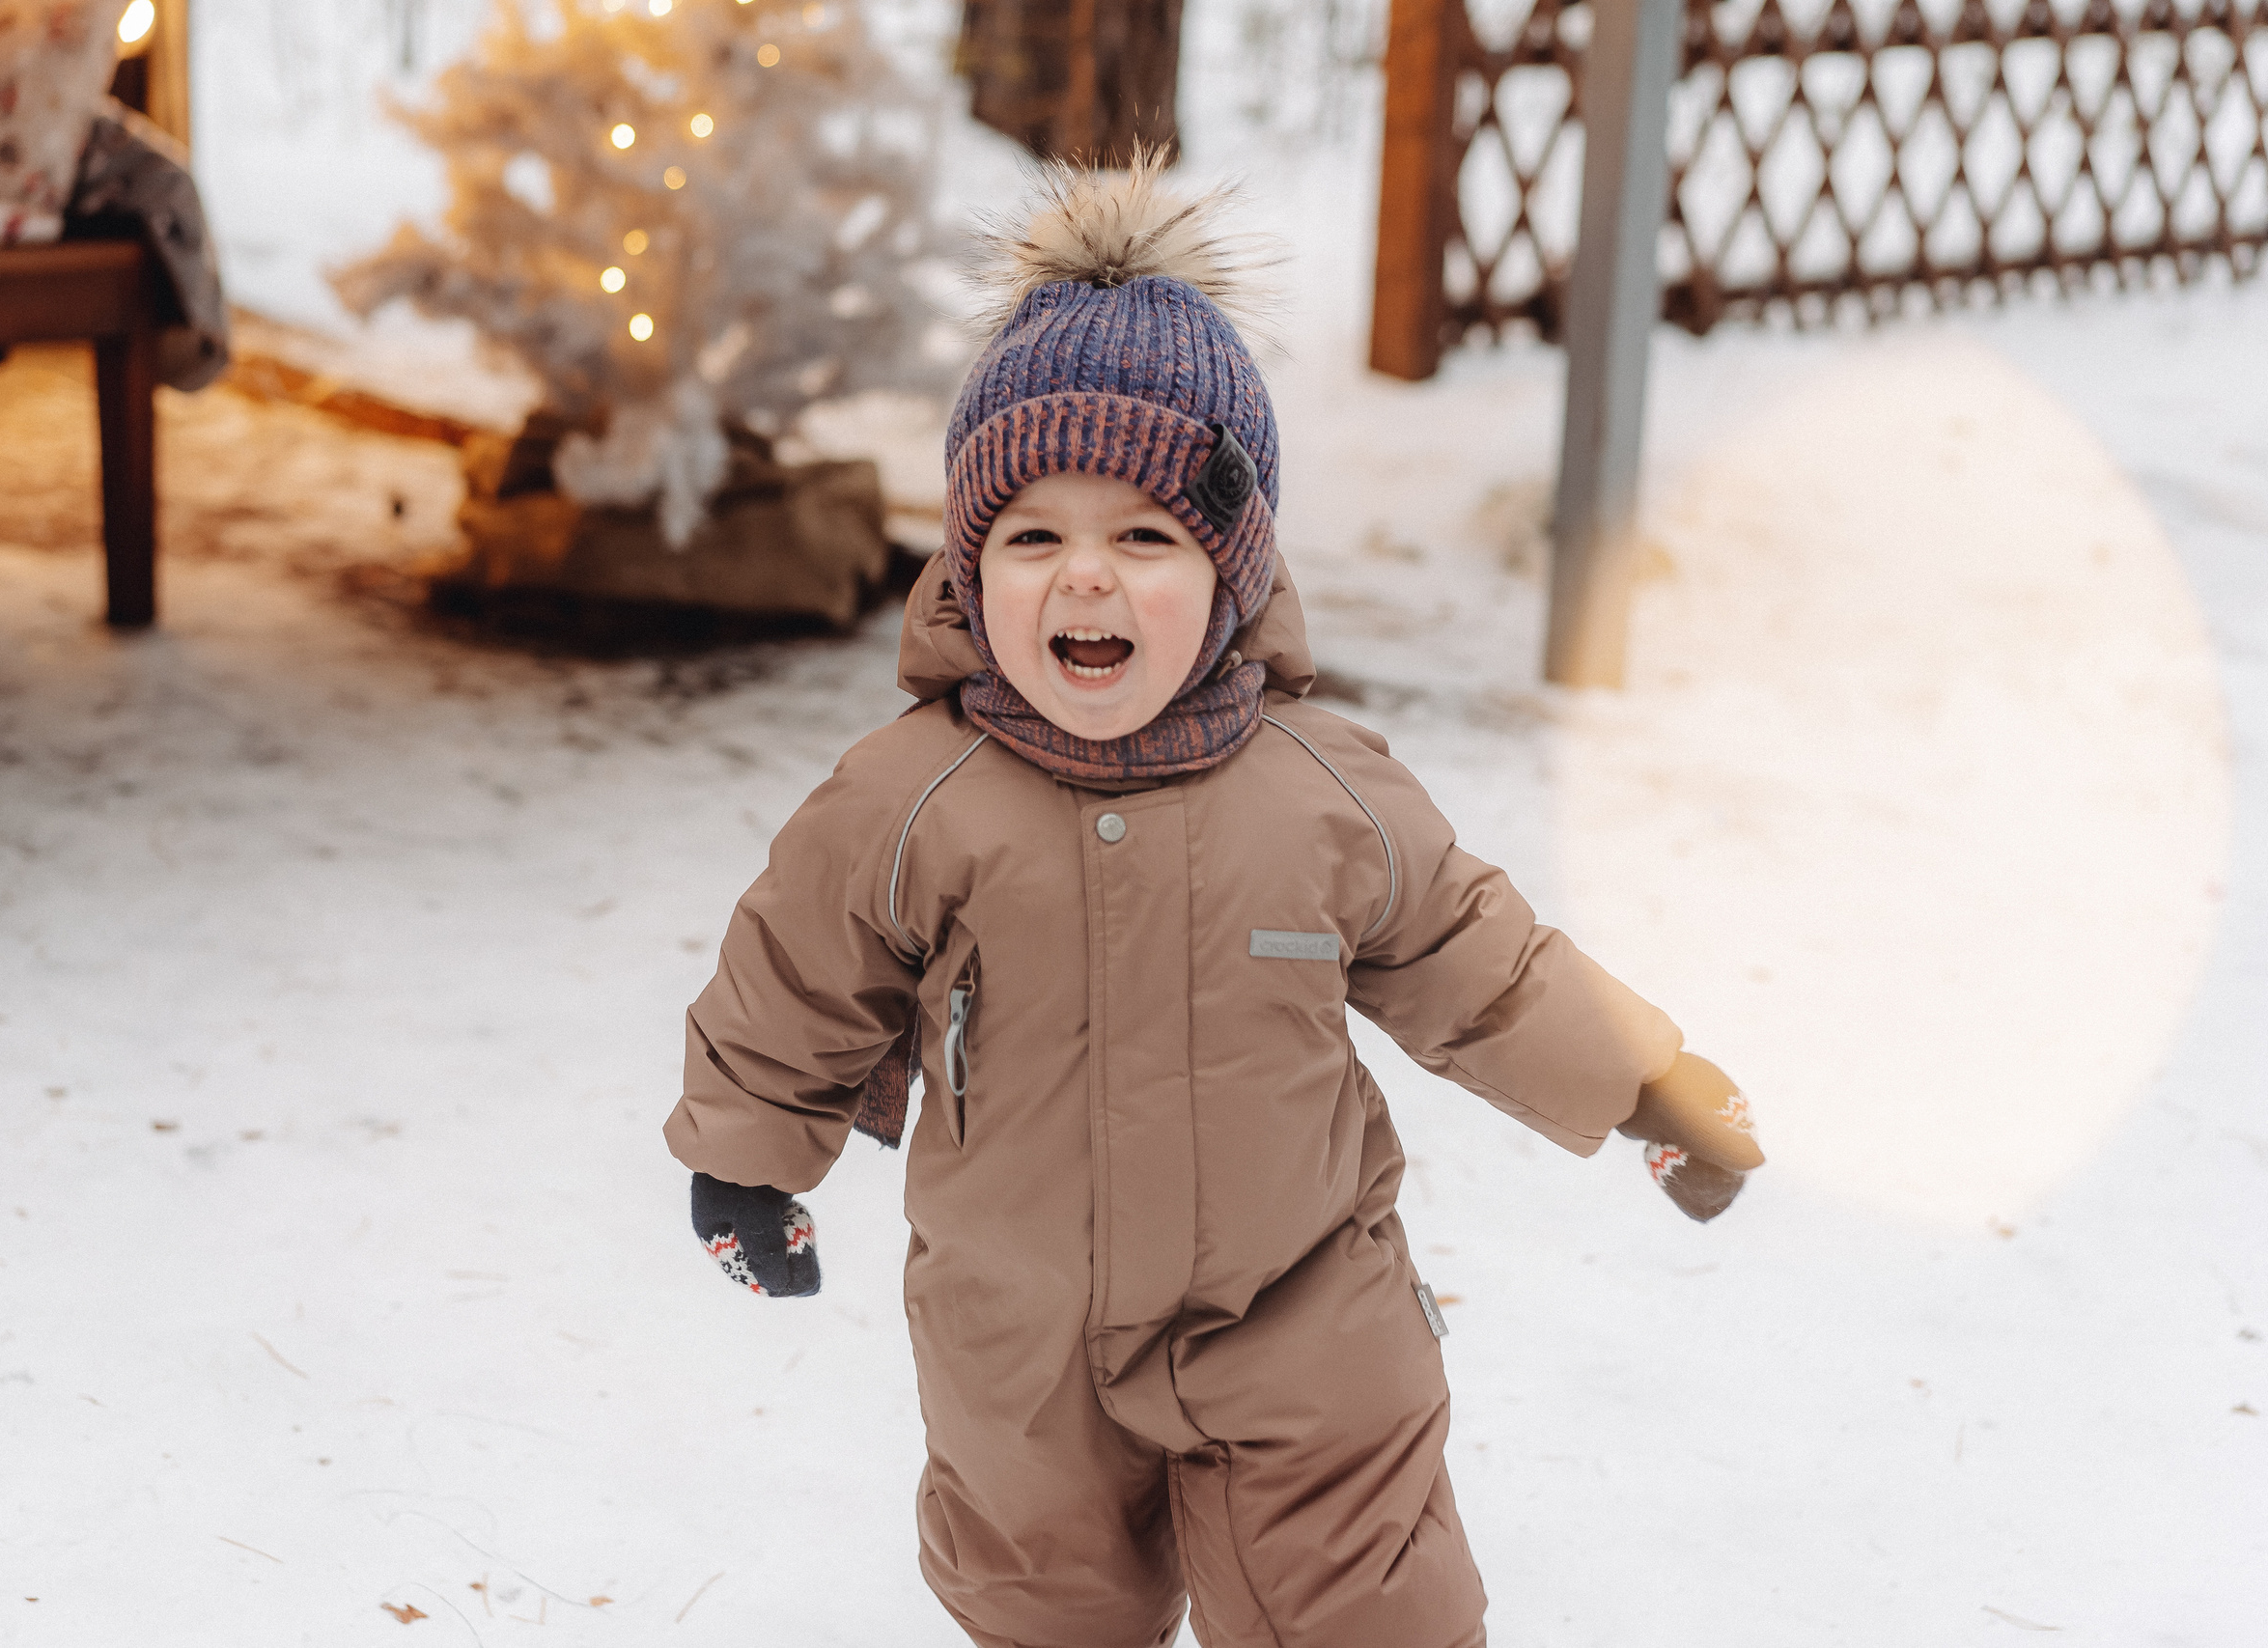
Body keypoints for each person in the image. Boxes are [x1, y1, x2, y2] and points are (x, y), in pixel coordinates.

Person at [662, 154, 1763, 1648]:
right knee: (1042, 1602)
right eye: (1033, 536)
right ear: (970, 565)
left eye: (1147, 537)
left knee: (1372, 1609)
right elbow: (792, 976)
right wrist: (746, 1162)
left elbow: (1479, 962)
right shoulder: (909, 798)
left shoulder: (1326, 791)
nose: (1085, 581)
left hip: (1303, 1314)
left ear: (1234, 567)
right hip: (1019, 1334)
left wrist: (1645, 1079)